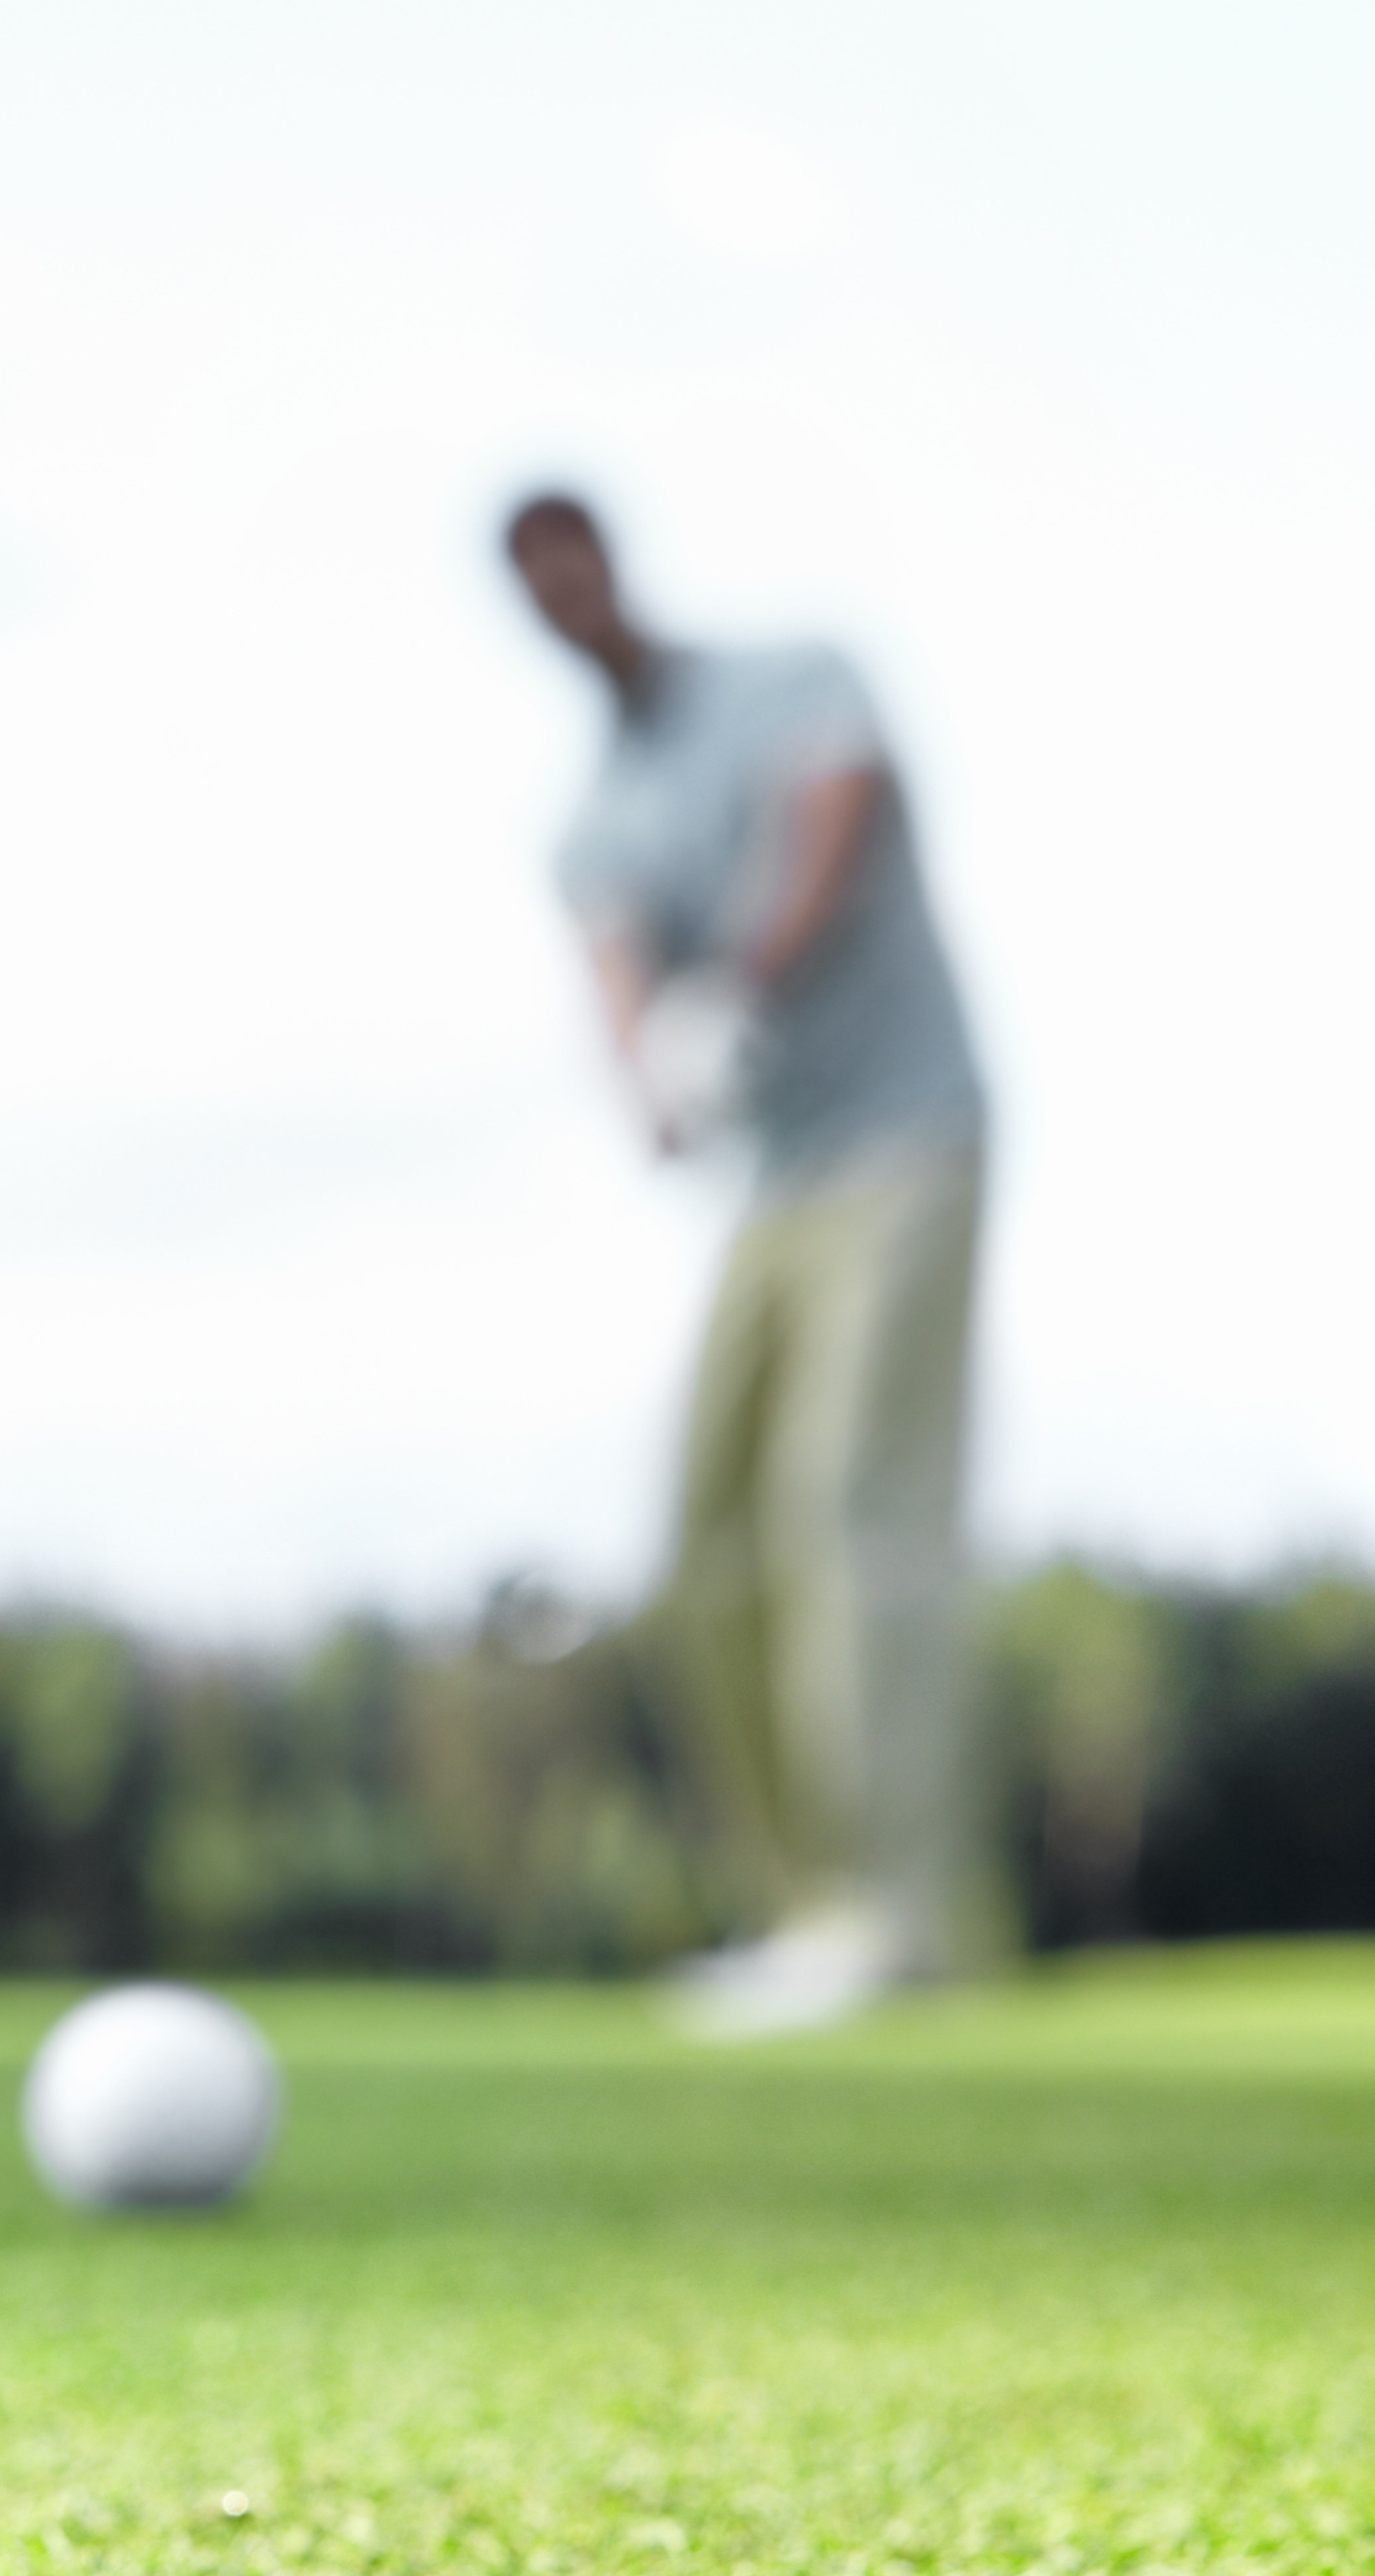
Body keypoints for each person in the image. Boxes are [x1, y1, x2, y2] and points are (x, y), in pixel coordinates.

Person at [505, 491, 988, 2035]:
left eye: (573, 564)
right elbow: (614, 972)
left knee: (849, 1497)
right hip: (773, 1185)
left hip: (908, 1135)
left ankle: (893, 1913)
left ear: (609, 557)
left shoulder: (789, 678)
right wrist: (649, 1074)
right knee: (705, 1539)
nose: (565, 601)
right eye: (535, 590)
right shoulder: (596, 812)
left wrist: (741, 983)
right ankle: (800, 1912)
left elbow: (833, 816)